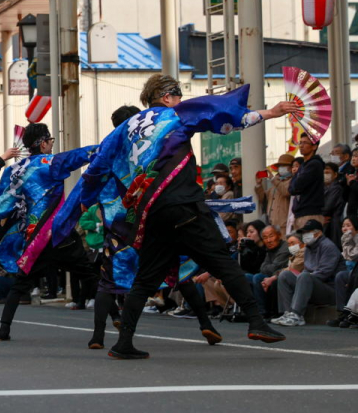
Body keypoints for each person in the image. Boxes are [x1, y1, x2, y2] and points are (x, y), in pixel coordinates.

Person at [72, 74, 291, 359]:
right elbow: (217, 112)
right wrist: (270, 113)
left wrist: (84, 202)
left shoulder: (124, 130)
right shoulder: (173, 115)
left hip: (150, 214)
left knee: (145, 281)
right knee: (223, 263)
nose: (180, 98)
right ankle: (256, 321)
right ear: (165, 97)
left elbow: (96, 169)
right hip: (184, 206)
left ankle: (123, 342)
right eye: (176, 93)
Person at [0, 122, 98, 342]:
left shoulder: (13, 171)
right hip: (59, 234)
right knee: (90, 276)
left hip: (33, 239)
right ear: (43, 143)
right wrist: (108, 147)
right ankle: (108, 325)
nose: (51, 145)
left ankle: (3, 329)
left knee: (20, 284)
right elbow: (81, 155)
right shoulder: (49, 163)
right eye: (50, 141)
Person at [272, 218, 340, 327]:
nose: (304, 235)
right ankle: (288, 313)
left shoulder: (328, 246)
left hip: (329, 290)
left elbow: (324, 273)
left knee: (304, 276)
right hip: (311, 284)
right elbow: (307, 270)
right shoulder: (309, 247)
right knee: (284, 275)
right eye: (303, 233)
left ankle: (297, 315)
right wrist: (302, 277)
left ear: (318, 233)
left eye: (307, 232)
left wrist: (303, 277)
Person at [289, 134, 326, 230]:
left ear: (314, 146)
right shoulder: (303, 165)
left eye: (305, 143)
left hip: (310, 213)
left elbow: (297, 186)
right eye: (300, 143)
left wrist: (295, 180)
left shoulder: (314, 164)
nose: (301, 145)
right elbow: (291, 189)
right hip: (300, 213)